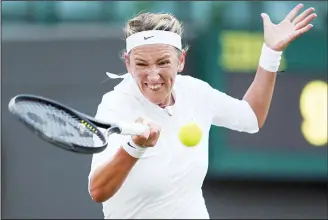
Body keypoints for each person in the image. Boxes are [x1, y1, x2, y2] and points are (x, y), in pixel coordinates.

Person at [88, 4, 316, 219]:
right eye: (141, 64)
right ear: (127, 64)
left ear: (181, 61)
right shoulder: (115, 105)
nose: (154, 75)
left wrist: (271, 53)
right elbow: (98, 190)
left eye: (163, 62)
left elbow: (251, 118)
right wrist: (134, 147)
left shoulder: (195, 92)